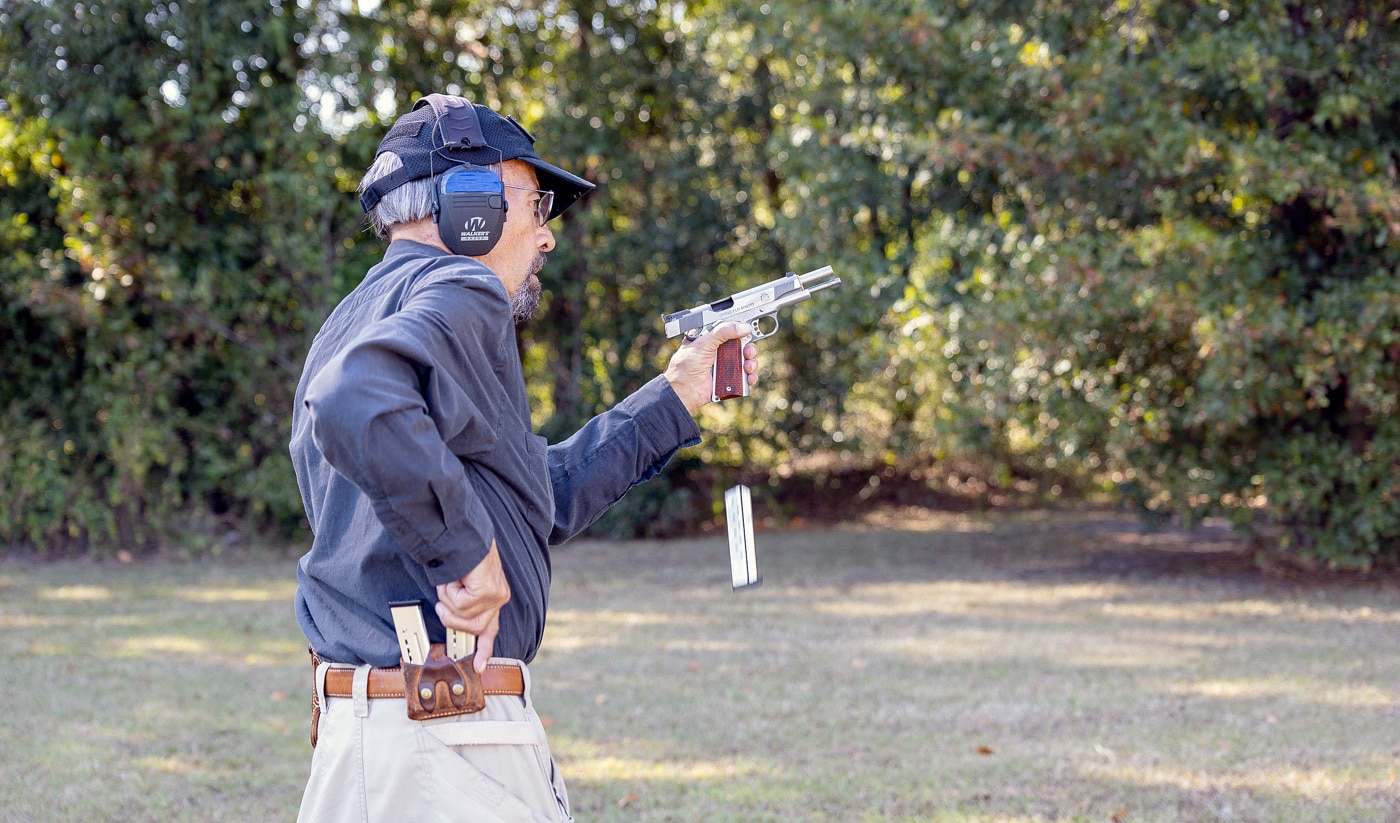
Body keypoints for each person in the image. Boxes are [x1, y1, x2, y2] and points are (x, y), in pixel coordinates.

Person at [289, 94, 758, 822]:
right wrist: (465, 557)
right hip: (442, 746)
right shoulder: (464, 286)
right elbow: (357, 398)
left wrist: (678, 394)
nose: (547, 238)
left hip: (373, 743)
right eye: (537, 206)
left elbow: (537, 498)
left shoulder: (349, 320)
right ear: (468, 204)